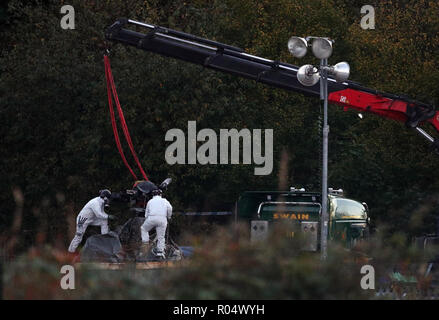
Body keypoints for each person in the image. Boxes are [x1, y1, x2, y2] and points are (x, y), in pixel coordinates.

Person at [139, 188, 172, 259]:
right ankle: (160, 253)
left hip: (152, 218)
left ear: (153, 195)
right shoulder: (165, 200)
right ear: (161, 194)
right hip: (162, 219)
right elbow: (170, 208)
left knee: (144, 229)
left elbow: (146, 214)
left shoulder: (150, 201)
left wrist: (147, 220)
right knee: (161, 237)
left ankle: (145, 244)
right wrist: (169, 217)